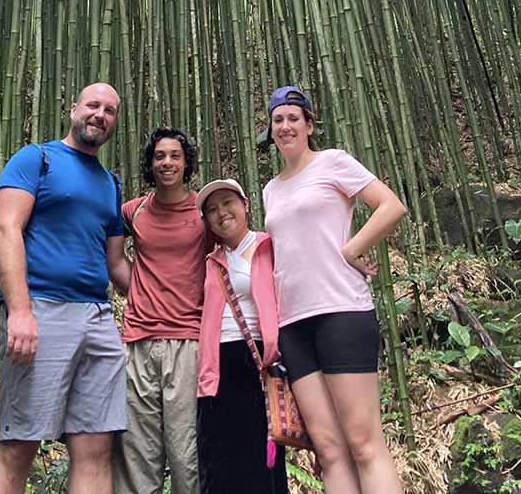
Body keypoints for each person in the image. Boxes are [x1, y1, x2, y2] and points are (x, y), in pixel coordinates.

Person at [0, 83, 130, 494]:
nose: (100, 115)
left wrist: (170, 301)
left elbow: (116, 264)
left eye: (110, 111)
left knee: (96, 447)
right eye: (93, 106)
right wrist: (20, 311)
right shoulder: (37, 158)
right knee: (17, 444)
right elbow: (6, 229)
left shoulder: (110, 183)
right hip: (41, 310)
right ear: (73, 109)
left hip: (98, 318)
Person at [262, 85, 407, 494]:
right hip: (293, 322)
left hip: (341, 310)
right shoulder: (271, 189)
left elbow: (391, 205)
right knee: (329, 450)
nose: (285, 126)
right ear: (270, 131)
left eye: (293, 118)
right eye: (278, 120)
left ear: (309, 124)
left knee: (363, 443)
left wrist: (352, 248)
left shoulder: (333, 162)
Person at [112, 127, 212, 494]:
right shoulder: (134, 210)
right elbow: (106, 248)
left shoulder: (205, 208)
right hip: (137, 340)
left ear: (187, 163)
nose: (166, 162)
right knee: (136, 451)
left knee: (186, 452)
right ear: (150, 164)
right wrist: (137, 289)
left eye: (174, 155)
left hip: (188, 341)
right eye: (159, 156)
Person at [195, 178, 288, 494]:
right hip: (216, 368)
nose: (221, 213)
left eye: (227, 203)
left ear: (245, 205)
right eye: (212, 209)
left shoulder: (268, 246)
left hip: (257, 362)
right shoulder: (211, 261)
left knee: (260, 462)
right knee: (218, 460)